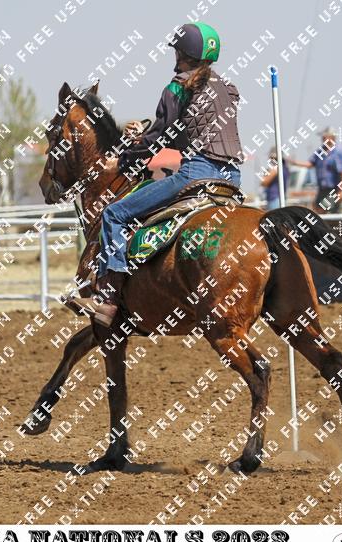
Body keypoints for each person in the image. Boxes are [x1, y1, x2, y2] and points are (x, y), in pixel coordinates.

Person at [87, 22, 243, 327]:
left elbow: (161, 137)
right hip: (232, 179)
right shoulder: (228, 88)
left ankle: (109, 298)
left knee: (114, 214)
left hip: (196, 174)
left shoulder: (177, 87)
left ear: (181, 53)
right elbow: (188, 133)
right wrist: (142, 136)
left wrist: (127, 157)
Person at [290, 128, 342, 213]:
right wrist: (294, 162)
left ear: (332, 137)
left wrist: (341, 191)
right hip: (322, 189)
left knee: (328, 212)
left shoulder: (339, 152)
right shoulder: (320, 151)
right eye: (323, 137)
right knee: (318, 211)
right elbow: (310, 163)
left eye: (325, 137)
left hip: (333, 189)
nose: (323, 139)